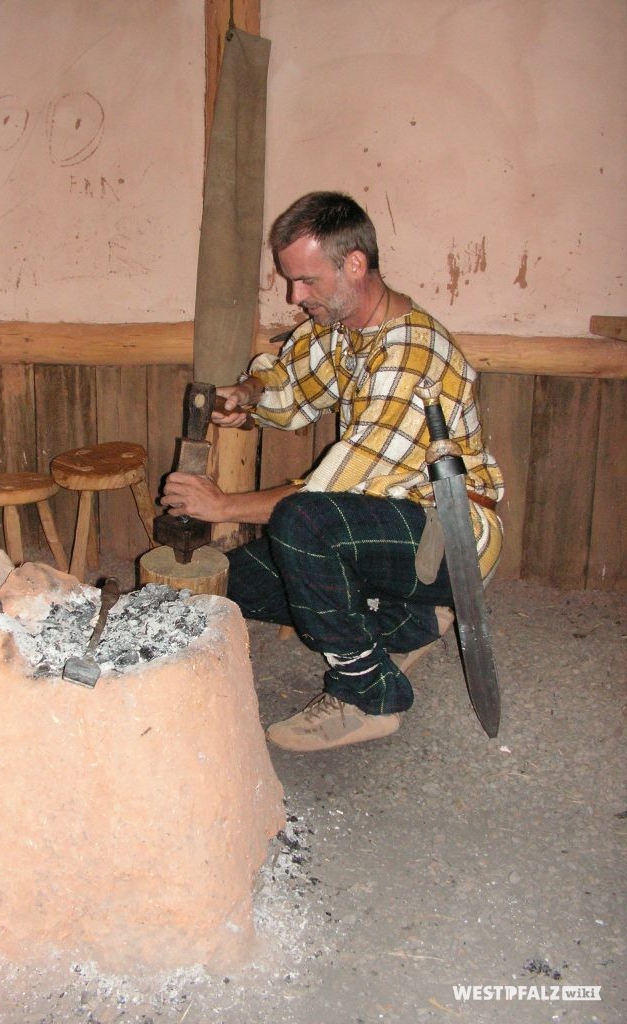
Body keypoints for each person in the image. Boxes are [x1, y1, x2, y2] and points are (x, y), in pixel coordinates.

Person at [161, 191, 503, 752]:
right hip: (381, 528)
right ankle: (410, 623)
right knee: (237, 583)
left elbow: (329, 492)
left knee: (304, 526)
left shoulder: (412, 356)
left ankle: (369, 695)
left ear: (355, 265)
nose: (296, 297)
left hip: (450, 539)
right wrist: (246, 397)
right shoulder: (341, 328)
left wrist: (221, 506)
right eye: (291, 282)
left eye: (305, 281)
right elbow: (290, 384)